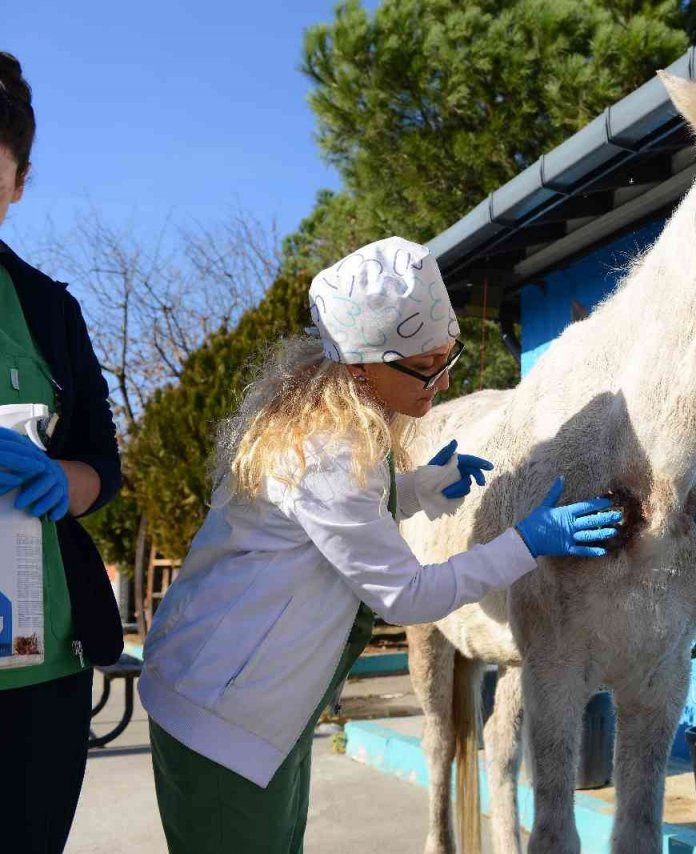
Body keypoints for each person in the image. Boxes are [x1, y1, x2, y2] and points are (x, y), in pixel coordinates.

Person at [139, 234, 621, 852]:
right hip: (222, 717)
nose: (443, 383)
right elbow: (405, 595)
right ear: (365, 364)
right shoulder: (328, 450)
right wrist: (525, 542)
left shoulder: (330, 426)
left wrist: (419, 488)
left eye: (449, 358)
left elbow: (326, 520)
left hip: (252, 707)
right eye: (426, 368)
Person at [0, 52, 124, 852]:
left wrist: (61, 481)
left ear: (17, 181)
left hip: (37, 679)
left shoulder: (49, 310)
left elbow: (103, 466)